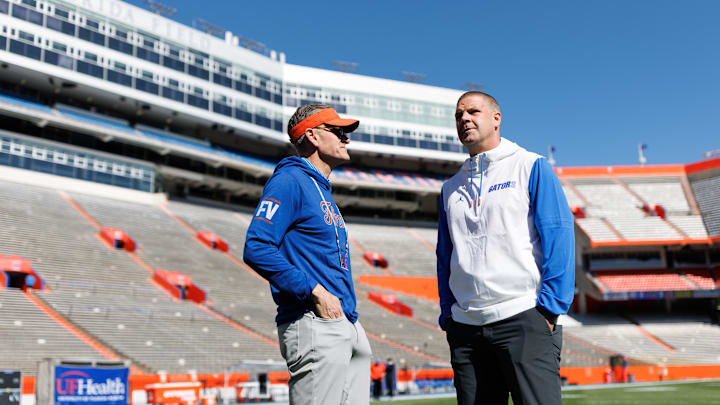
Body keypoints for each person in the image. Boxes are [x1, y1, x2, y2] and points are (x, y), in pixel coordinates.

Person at [436, 91, 575, 405]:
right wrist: (448, 315)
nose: (464, 119)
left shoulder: (530, 166)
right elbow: (445, 256)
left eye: (473, 111)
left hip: (523, 316)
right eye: (458, 115)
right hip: (467, 327)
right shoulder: (450, 188)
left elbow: (559, 235)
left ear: (496, 118)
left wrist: (550, 308)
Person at [243, 104, 372, 405]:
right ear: (313, 136)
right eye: (338, 131)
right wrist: (315, 292)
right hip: (314, 321)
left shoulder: (321, 189)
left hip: (345, 323)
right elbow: (257, 247)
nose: (346, 138)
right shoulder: (290, 181)